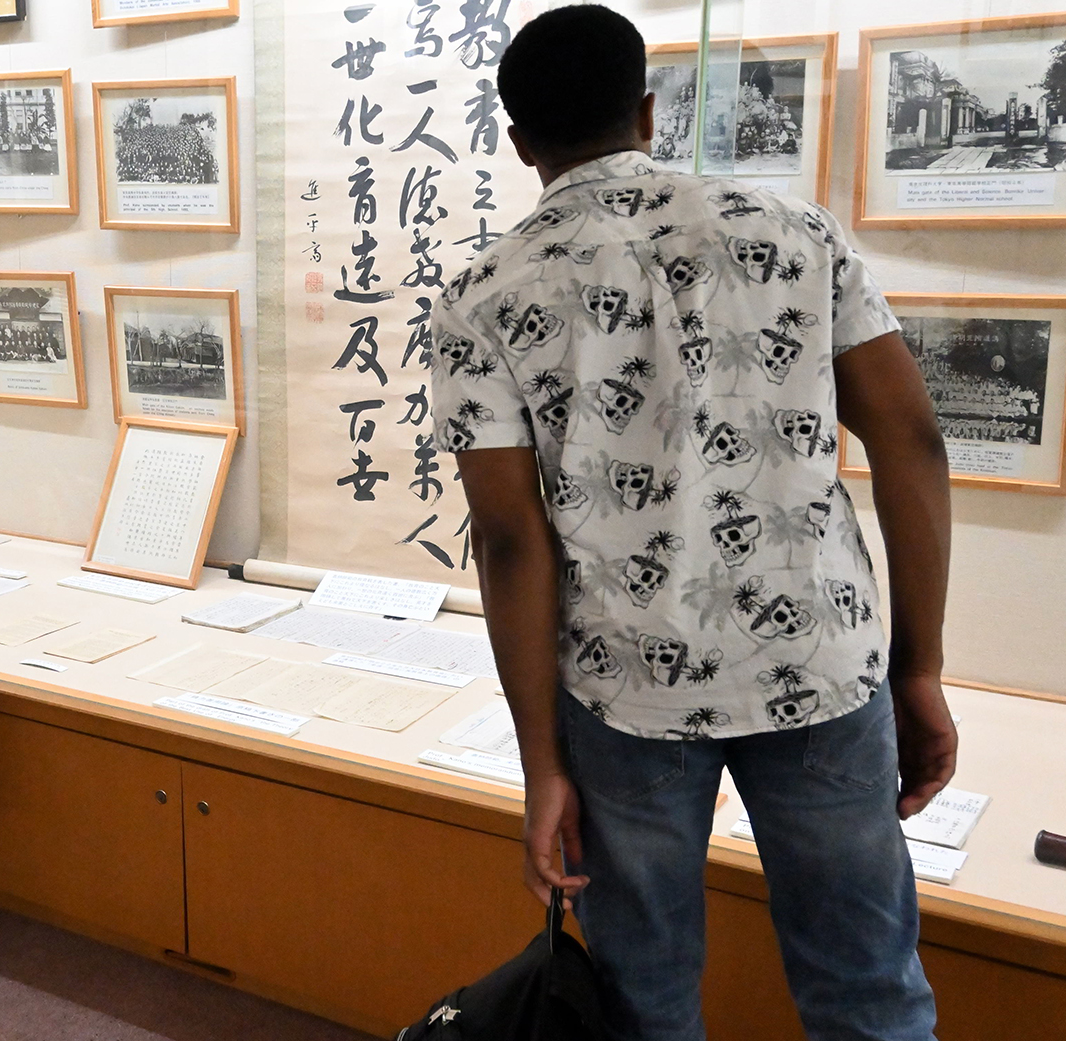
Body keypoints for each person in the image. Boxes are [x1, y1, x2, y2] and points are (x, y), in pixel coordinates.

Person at [430, 8, 956, 1041]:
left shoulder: (481, 296)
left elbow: (509, 542)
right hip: (822, 669)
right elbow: (913, 444)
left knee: (644, 998)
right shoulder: (795, 233)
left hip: (626, 694)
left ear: (519, 142)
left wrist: (543, 768)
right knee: (869, 991)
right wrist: (921, 665)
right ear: (647, 112)